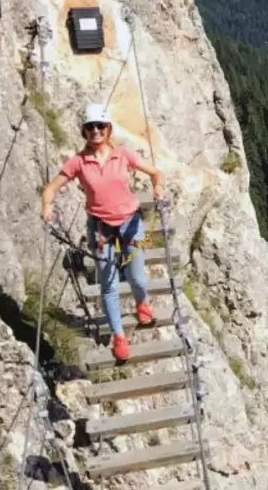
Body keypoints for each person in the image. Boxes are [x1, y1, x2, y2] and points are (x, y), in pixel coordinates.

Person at [40, 103, 166, 361]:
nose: (95, 131)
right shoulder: (78, 162)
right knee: (108, 284)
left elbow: (155, 173)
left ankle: (142, 303)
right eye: (90, 127)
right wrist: (47, 206)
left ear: (108, 129)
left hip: (129, 220)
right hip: (100, 227)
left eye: (100, 126)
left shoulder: (124, 154)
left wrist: (158, 188)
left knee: (137, 278)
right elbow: (50, 188)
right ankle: (119, 337)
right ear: (84, 132)